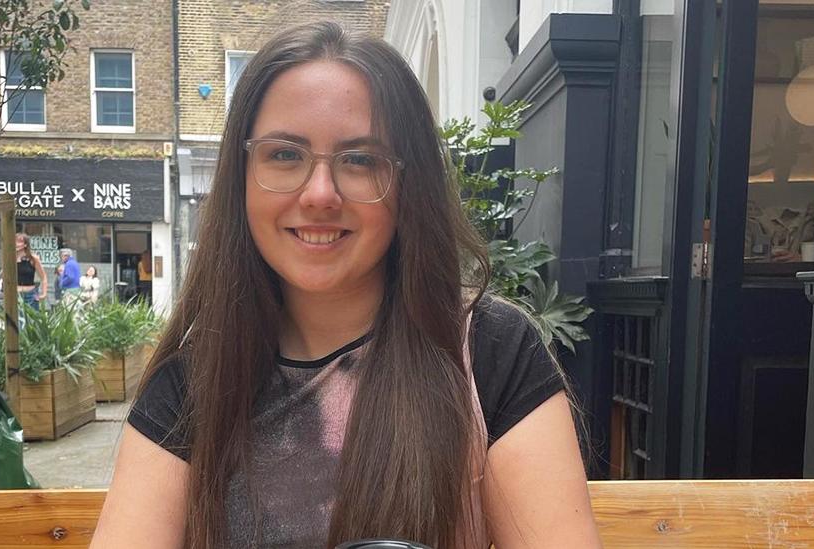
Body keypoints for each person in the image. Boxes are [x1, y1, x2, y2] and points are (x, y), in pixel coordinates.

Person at [93, 22, 600, 549]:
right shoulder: (194, 379)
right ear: (241, 177)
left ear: (408, 185)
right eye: (284, 154)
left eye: (360, 160)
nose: (320, 194)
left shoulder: (489, 349)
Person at [15, 233, 48, 310]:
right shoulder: (10, 258)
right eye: (15, 241)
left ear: (25, 244)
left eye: (19, 241)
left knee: (31, 321)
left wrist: (44, 294)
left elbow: (43, 277)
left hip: (29, 294)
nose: (16, 244)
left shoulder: (33, 258)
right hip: (15, 295)